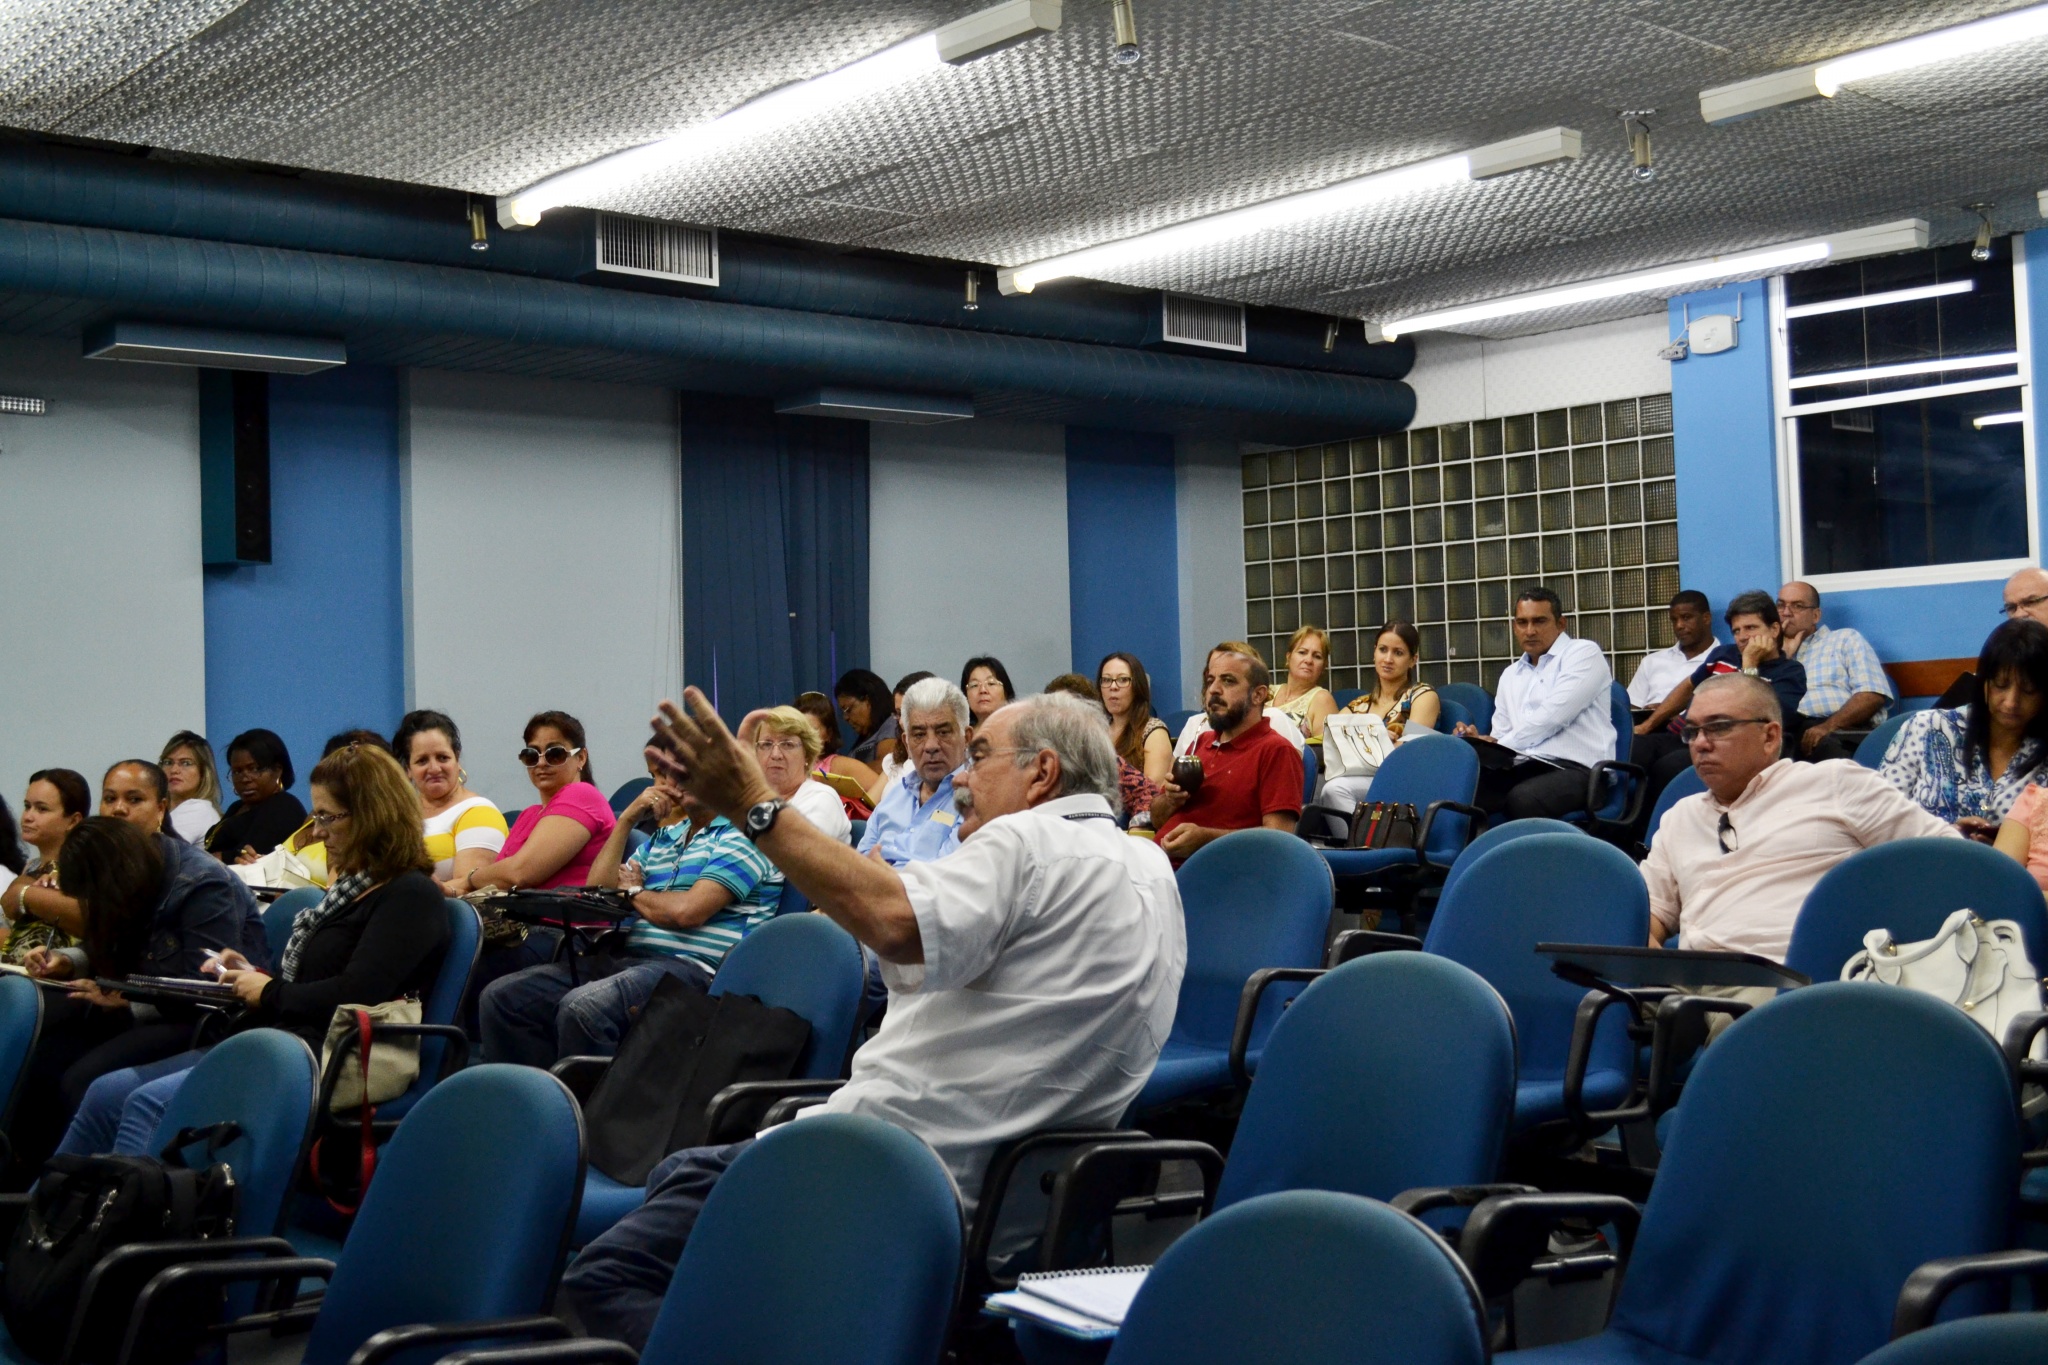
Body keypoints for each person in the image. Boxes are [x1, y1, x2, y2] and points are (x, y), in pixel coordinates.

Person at [562, 689, 1184, 1350]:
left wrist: (753, 801)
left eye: (978, 755)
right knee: (681, 1175)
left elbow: (892, 922)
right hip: (1008, 1192)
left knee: (606, 1274)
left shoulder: (1029, 841)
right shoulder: (1149, 865)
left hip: (878, 1179)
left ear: (1043, 773)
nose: (963, 779)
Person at [58, 745, 450, 1156]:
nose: (316, 832)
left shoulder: (409, 894)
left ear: (372, 816)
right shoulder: (351, 890)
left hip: (327, 1055)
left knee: (146, 1103)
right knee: (106, 1092)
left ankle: (119, 1215)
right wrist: (253, 975)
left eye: (327, 817)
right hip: (283, 1038)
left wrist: (267, 991)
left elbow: (355, 994)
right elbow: (314, 984)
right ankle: (45, 1212)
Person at [1642, 674, 1957, 1027]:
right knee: (1583, 1007)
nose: (1700, 743)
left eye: (1718, 728)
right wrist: (1652, 965)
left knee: (1753, 1023)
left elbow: (1944, 859)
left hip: (1783, 980)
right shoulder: (1679, 816)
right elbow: (1651, 912)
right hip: (1684, 980)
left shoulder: (1834, 784)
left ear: (1770, 736)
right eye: (1692, 731)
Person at [478, 762, 784, 1068]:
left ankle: (589, 1114)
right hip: (631, 959)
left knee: (585, 1008)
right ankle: (536, 1106)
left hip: (697, 972)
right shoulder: (666, 837)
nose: (683, 778)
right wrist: (626, 820)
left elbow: (688, 912)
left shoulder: (745, 836)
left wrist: (634, 892)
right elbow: (599, 888)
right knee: (502, 999)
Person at [9, 815, 268, 1169]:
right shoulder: (126, 873)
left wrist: (129, 1003)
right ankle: (28, 1178)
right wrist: (68, 961)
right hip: (135, 999)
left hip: (201, 1021)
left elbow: (209, 991)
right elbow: (108, 938)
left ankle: (78, 1188)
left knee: (82, 1078)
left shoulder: (204, 885)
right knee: (42, 1053)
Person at [1631, 591, 1808, 816]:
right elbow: (1688, 686)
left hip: (1723, 746)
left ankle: (1647, 833)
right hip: (1684, 734)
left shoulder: (1789, 672)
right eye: (1736, 631)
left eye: (1751, 628)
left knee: (1668, 767)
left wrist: (1750, 663)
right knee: (1634, 749)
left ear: (1774, 630)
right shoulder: (1723, 654)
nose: (1742, 637)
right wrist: (1647, 726)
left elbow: (1753, 713)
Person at [1456, 587, 1617, 821]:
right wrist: (1481, 744)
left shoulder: (1583, 653)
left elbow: (1553, 717)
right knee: (1463, 789)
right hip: (1526, 767)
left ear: (1561, 624)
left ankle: (1526, 858)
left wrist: (1500, 743)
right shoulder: (1510, 675)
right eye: (1522, 622)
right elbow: (1502, 735)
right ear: (1514, 626)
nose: (1530, 631)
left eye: (1539, 621)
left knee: (1523, 799)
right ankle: (1461, 857)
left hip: (1580, 771)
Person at [1881, 619, 2048, 835]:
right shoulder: (1927, 728)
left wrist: (2005, 850)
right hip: (1921, 861)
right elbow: (1879, 818)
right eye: (2000, 685)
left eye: (2028, 691)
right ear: (1984, 683)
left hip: (2012, 868)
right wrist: (1948, 834)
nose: (2011, 702)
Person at [1149, 642, 1304, 862]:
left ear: (1258, 695)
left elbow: (1278, 840)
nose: (1213, 689)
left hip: (1214, 878)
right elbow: (1157, 820)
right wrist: (1172, 800)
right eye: (1210, 680)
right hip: (1157, 866)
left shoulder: (1276, 751)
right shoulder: (1200, 743)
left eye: (1228, 681)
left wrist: (1205, 840)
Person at [464, 711, 616, 894]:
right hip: (519, 915)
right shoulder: (528, 815)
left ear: (581, 757)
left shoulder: (582, 794)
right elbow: (500, 877)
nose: (541, 763)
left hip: (559, 919)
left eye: (555, 754)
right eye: (532, 755)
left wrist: (470, 878)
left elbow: (519, 874)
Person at [1322, 621, 1442, 810]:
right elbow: (1332, 746)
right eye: (1383, 649)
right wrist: (1380, 740)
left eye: (1398, 653)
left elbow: (1407, 751)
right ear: (1374, 653)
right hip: (1358, 778)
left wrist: (1372, 742)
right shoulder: (1358, 705)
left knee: (1334, 789)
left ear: (1413, 660)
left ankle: (1362, 840)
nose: (1388, 659)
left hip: (1402, 780)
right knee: (1316, 783)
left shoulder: (1423, 696)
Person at [393, 710, 509, 896]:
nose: (434, 768)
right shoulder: (397, 816)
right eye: (422, 761)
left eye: (442, 757)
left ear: (457, 759)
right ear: (408, 769)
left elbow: (471, 887)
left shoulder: (478, 812)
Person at [1776, 582, 1895, 759]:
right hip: (1784, 733)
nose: (1786, 612)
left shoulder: (1845, 639)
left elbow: (1872, 695)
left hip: (1836, 730)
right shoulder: (1771, 654)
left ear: (1815, 615)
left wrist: (1828, 726)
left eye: (1797, 606)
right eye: (1780, 605)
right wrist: (1782, 657)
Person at [859, 678, 970, 865]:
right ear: (906, 743)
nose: (931, 746)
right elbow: (860, 865)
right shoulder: (894, 797)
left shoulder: (975, 802)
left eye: (943, 732)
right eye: (919, 735)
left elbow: (945, 879)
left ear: (966, 738)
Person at [3, 769, 89, 963]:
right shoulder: (30, 866)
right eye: (27, 806)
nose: (28, 817)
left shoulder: (84, 867)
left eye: (42, 809)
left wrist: (24, 894)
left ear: (74, 820)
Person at [752, 706, 853, 844]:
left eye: (787, 744)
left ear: (807, 755)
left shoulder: (821, 798)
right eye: (767, 744)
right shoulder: (753, 800)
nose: (775, 755)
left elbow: (797, 853)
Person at [204, 729, 305, 861]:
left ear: (277, 770)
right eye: (237, 771)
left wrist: (221, 857)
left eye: (254, 769)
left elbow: (253, 855)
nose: (245, 779)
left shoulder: (284, 806)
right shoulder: (237, 807)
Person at [1626, 591, 1719, 709]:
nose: (1679, 625)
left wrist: (1666, 714)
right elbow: (1632, 706)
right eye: (1674, 620)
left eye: (1686, 618)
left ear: (1706, 618)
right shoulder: (1652, 661)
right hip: (1648, 725)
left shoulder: (1725, 660)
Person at [795, 691, 880, 811]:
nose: (805, 737)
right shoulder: (785, 765)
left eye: (812, 731)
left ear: (828, 734)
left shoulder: (841, 766)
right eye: (799, 730)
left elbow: (889, 796)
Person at [1097, 652, 1173, 784]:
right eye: (1106, 680)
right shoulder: (1097, 731)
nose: (1113, 687)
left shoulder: (1153, 731)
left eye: (1123, 680)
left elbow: (1151, 790)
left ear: (1137, 687)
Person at [1269, 625, 1340, 742]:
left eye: (1317, 656)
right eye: (1302, 652)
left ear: (1323, 666)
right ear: (1288, 657)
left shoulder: (1322, 699)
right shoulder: (1268, 692)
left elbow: (1325, 753)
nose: (1308, 660)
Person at [157, 732, 223, 845]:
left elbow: (155, 852)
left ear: (203, 773)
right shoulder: (165, 811)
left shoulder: (198, 809)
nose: (174, 770)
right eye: (168, 762)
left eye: (186, 763)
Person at [834, 670, 899, 766]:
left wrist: (845, 771)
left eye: (848, 709)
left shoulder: (891, 725)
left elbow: (885, 767)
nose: (845, 718)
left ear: (867, 700)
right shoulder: (869, 734)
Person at [100, 760, 174, 837]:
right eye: (110, 799)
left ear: (160, 809)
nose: (118, 809)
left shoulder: (180, 849)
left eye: (134, 799)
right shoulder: (88, 846)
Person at [961, 656, 1016, 731]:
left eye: (991, 683)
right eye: (974, 685)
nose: (983, 690)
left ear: (1006, 692)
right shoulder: (962, 737)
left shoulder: (1019, 731)